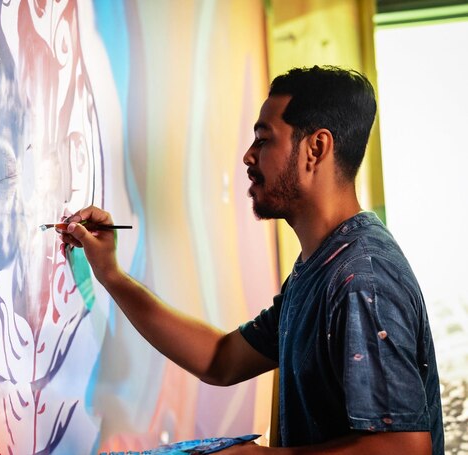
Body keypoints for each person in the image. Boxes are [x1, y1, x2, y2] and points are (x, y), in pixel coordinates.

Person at [57, 66, 444, 454]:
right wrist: (110, 273)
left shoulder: (361, 280)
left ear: (316, 149)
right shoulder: (322, 267)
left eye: (263, 139)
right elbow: (220, 359)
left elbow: (406, 448)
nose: (248, 156)